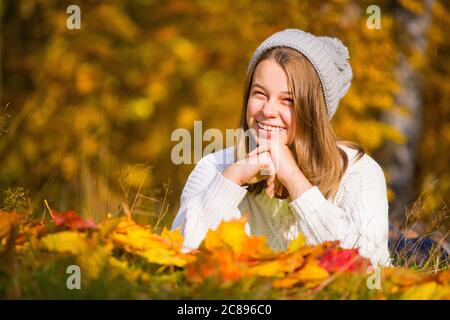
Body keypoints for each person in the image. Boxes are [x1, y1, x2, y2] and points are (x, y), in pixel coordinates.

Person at [171, 29, 391, 267]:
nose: (267, 110)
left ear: (314, 112)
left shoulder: (359, 173)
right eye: (260, 93)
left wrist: (295, 180)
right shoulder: (215, 167)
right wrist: (232, 179)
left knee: (422, 248)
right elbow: (180, 258)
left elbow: (370, 270)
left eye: (288, 100)